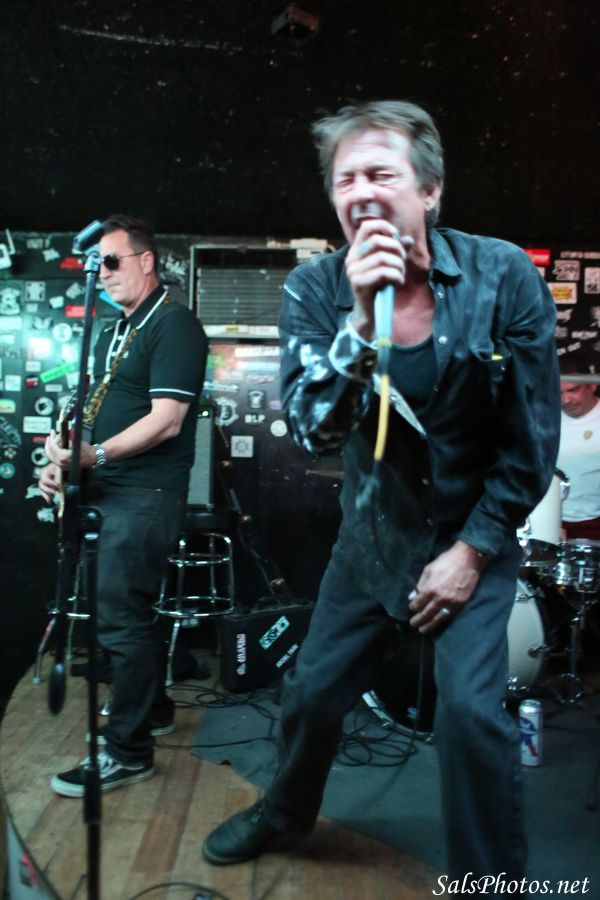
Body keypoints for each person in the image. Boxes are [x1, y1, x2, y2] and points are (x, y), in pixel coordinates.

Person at [202, 101, 560, 880]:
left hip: (472, 536)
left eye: (381, 173)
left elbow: (532, 445)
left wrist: (472, 552)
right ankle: (285, 811)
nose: (360, 190)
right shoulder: (317, 288)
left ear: (429, 190)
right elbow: (314, 431)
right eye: (345, 179)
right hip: (374, 539)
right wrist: (363, 322)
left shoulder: (503, 276)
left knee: (470, 717)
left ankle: (489, 881)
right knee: (310, 694)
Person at [39, 214, 208, 796]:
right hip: (108, 490)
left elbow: (168, 420)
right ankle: (153, 711)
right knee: (124, 613)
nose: (103, 273)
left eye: (111, 261)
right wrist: (63, 457)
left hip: (145, 494)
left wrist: (97, 456)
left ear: (146, 260)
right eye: (96, 264)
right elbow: (94, 410)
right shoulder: (118, 329)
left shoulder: (175, 324)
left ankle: (128, 752)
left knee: (119, 619)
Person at [557, 351, 600, 540]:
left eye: (573, 390)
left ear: (592, 385)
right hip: (552, 521)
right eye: (559, 393)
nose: (566, 400)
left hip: (595, 524)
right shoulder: (545, 418)